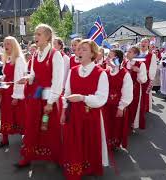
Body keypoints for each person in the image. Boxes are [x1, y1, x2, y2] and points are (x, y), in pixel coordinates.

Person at [16, 24, 64, 168]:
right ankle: (28, 156)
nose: (35, 37)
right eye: (35, 34)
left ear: (48, 37)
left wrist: (50, 102)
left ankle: (56, 157)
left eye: (39, 34)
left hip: (49, 97)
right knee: (32, 126)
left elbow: (57, 81)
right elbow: (34, 74)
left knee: (49, 127)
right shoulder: (36, 54)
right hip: (36, 96)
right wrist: (28, 78)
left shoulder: (55, 55)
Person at [60, 39, 109, 180]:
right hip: (73, 114)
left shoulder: (101, 73)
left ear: (93, 54)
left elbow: (101, 99)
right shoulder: (73, 71)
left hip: (91, 115)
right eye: (78, 49)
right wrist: (64, 111)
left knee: (89, 141)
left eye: (84, 49)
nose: (79, 51)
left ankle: (88, 167)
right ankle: (75, 168)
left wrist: (83, 98)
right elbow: (67, 94)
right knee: (74, 142)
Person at [0, 36, 27, 149]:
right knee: (6, 116)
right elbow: (6, 76)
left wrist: (16, 96)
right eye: (4, 44)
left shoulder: (19, 59)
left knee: (20, 116)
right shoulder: (7, 59)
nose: (5, 46)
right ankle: (5, 140)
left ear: (14, 45)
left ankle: (26, 141)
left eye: (8, 44)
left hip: (16, 93)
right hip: (6, 93)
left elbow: (20, 79)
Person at [104, 49, 133, 150]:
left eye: (109, 56)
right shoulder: (106, 71)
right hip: (106, 105)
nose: (107, 58)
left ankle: (115, 144)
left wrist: (121, 107)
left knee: (116, 125)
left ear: (116, 59)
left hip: (117, 105)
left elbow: (127, 92)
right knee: (107, 124)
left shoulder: (124, 73)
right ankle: (106, 143)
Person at [123, 46, 147, 130]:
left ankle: (132, 123)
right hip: (125, 89)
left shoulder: (141, 64)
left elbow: (144, 80)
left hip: (135, 89)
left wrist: (139, 72)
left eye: (129, 52)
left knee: (134, 106)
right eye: (127, 51)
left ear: (135, 54)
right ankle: (126, 123)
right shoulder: (125, 63)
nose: (127, 53)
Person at [140, 38, 157, 112]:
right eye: (142, 42)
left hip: (146, 78)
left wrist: (151, 79)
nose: (143, 43)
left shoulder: (151, 55)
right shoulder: (137, 54)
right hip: (136, 78)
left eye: (145, 42)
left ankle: (144, 108)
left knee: (145, 93)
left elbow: (153, 67)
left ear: (148, 44)